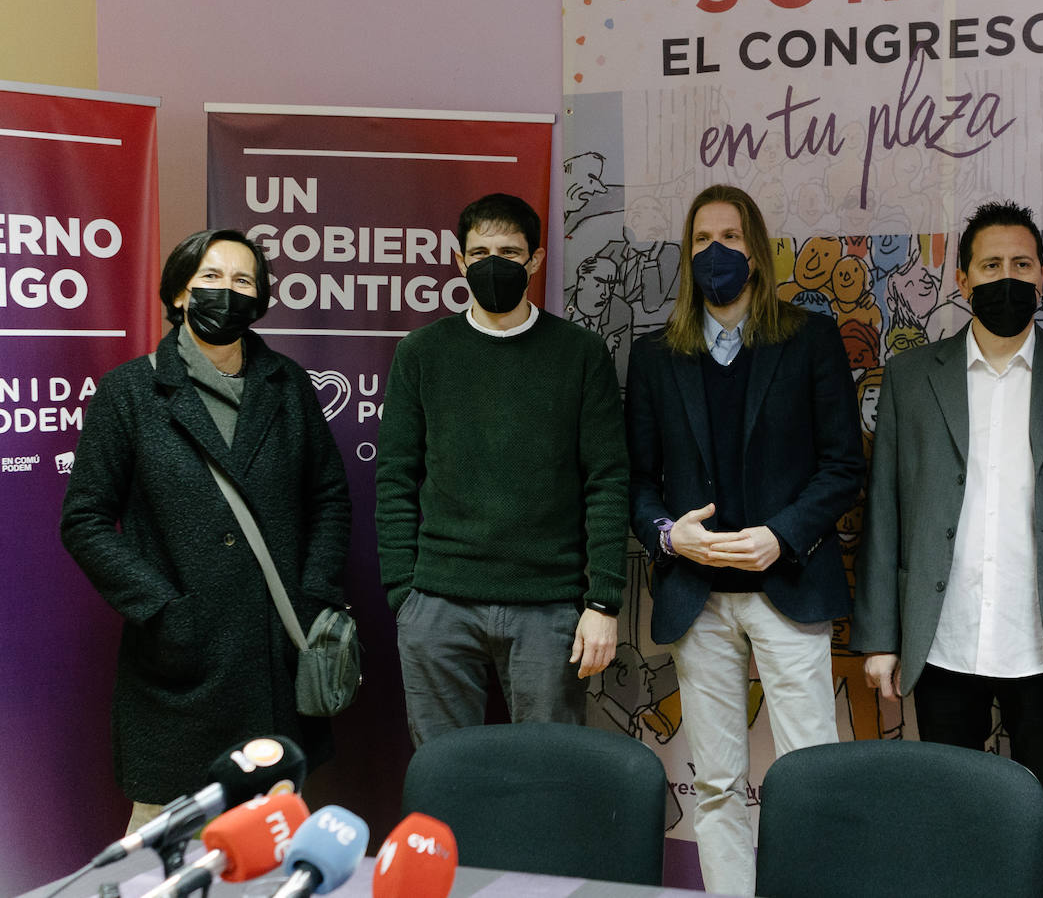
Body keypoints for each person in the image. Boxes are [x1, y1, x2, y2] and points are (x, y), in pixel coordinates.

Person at [853, 201, 1043, 896]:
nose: (1008, 277)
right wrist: (880, 636)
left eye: (1022, 264)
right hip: (943, 639)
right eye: (992, 265)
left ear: (1042, 275)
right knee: (948, 810)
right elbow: (884, 506)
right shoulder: (913, 378)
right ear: (964, 276)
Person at [60, 229, 351, 831]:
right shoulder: (129, 392)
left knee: (271, 848)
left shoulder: (289, 386)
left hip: (276, 657)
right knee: (163, 857)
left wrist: (314, 595)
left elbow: (329, 497)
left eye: (243, 281)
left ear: (261, 298)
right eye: (211, 278)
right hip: (177, 668)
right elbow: (84, 519)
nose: (227, 292)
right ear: (179, 293)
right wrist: (165, 611)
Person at [625, 184, 865, 897]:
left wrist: (780, 537)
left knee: (810, 775)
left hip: (787, 590)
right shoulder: (655, 356)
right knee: (720, 784)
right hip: (699, 601)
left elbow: (843, 467)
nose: (715, 252)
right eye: (701, 240)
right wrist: (672, 538)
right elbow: (636, 481)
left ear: (756, 252)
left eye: (730, 237)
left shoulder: (809, 338)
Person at [376, 192, 628, 743]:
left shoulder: (581, 354)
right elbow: (395, 475)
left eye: (510, 252)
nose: (495, 264)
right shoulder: (421, 352)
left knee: (549, 777)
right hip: (438, 604)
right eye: (481, 252)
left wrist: (603, 600)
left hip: (549, 608)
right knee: (444, 777)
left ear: (536, 260)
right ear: (460, 260)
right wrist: (404, 592)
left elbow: (607, 481)